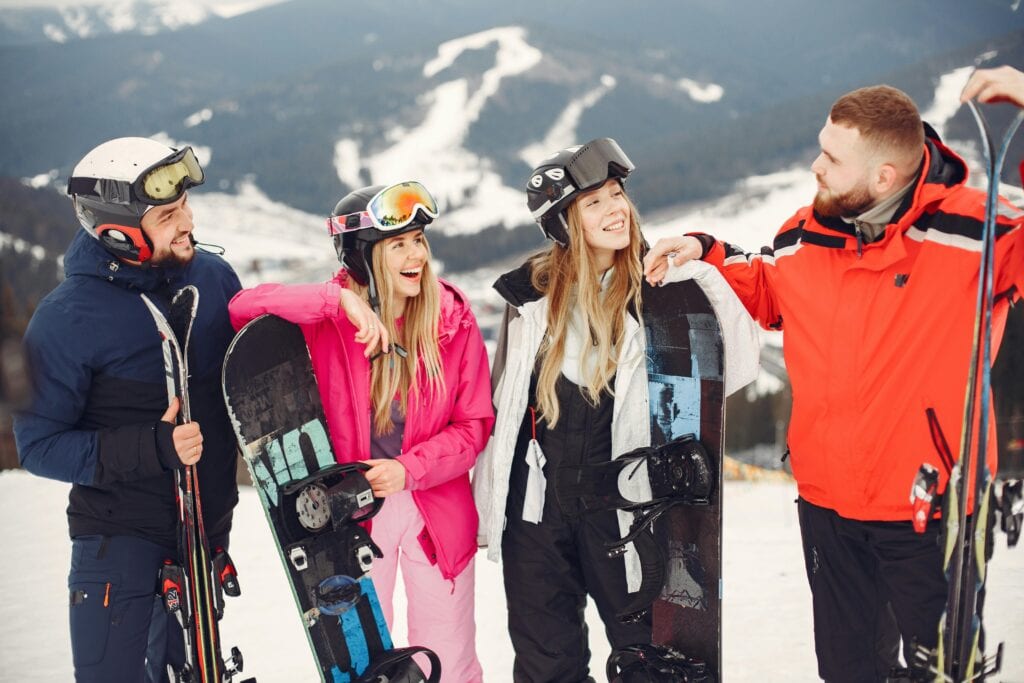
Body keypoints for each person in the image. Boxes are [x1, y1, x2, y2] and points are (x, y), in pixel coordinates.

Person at [643, 84, 1024, 681]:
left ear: (883, 176)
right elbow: (770, 286)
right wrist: (705, 249)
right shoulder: (808, 234)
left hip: (931, 514)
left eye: (832, 159)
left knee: (945, 672)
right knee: (848, 669)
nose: (815, 166)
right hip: (828, 507)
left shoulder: (975, 234)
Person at [472, 138, 760, 682]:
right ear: (563, 222)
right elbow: (503, 408)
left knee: (644, 658)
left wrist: (701, 276)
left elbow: (736, 366)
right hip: (538, 509)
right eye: (594, 202)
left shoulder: (664, 291)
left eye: (617, 194)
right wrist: (491, 508)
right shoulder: (530, 299)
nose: (616, 209)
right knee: (545, 665)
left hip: (625, 508)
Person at [228, 182, 494, 682]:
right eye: (398, 245)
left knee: (450, 660)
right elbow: (242, 307)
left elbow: (473, 425)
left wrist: (408, 469)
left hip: (434, 510)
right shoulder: (327, 320)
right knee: (363, 662)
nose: (416, 254)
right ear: (361, 256)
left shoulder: (451, 318)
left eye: (419, 240)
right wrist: (337, 302)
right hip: (350, 517)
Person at [13, 137, 242, 682]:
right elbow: (38, 446)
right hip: (117, 544)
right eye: (168, 214)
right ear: (119, 232)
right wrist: (154, 446)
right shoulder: (65, 319)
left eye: (186, 205)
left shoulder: (212, 278)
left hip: (203, 534)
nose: (188, 221)